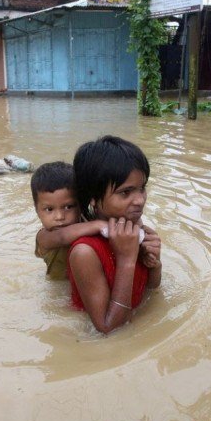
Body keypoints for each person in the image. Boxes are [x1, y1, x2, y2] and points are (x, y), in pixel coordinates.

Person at [68, 136, 162, 334]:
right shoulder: (85, 252)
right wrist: (127, 259)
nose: (139, 200)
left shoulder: (133, 227)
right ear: (93, 198)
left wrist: (155, 263)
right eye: (125, 192)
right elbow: (108, 328)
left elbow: (150, 290)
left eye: (142, 188)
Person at [31, 161, 107, 280]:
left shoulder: (87, 221)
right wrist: (99, 225)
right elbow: (62, 237)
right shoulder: (44, 237)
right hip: (58, 287)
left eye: (68, 207)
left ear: (81, 205)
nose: (59, 216)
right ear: (36, 210)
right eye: (49, 209)